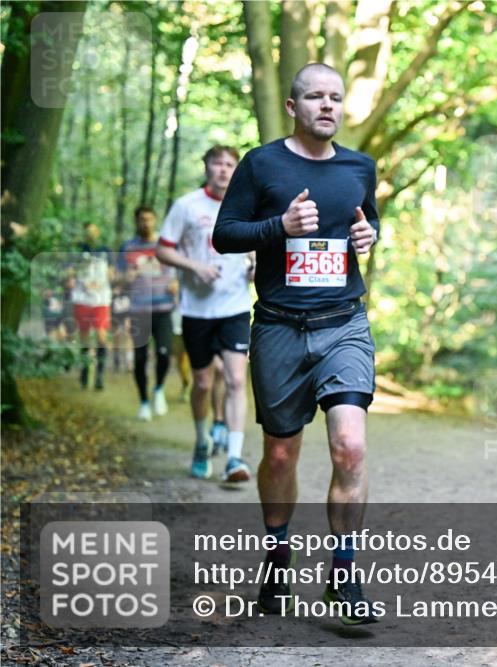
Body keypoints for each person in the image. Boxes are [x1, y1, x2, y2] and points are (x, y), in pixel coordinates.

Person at [213, 62, 380, 624]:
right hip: (280, 326)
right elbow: (225, 234)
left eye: (335, 97)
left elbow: (366, 224)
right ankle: (279, 549)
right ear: (293, 107)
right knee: (280, 452)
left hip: (343, 324)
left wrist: (367, 236)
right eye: (314, 97)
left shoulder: (360, 167)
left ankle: (344, 568)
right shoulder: (262, 164)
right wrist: (278, 228)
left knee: (350, 446)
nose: (327, 106)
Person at [156, 146, 255, 483]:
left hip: (236, 306)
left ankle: (235, 458)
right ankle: (201, 442)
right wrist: (194, 266)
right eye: (217, 164)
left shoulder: (247, 205)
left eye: (230, 164)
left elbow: (256, 247)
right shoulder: (187, 206)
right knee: (202, 382)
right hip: (197, 309)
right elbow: (163, 250)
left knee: (236, 379)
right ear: (206, 167)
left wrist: (255, 266)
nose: (224, 170)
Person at [119, 206, 175, 420]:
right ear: (136, 221)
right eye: (142, 219)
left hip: (163, 308)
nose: (146, 223)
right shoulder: (128, 247)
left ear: (155, 220)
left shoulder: (165, 243)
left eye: (150, 219)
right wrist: (127, 278)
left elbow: (177, 269)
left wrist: (176, 283)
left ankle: (158, 388)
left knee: (164, 353)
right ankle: (143, 401)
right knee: (140, 359)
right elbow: (118, 278)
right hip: (138, 310)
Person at [69, 224, 114, 390]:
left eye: (94, 230)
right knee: (84, 337)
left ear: (98, 233)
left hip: (101, 300)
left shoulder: (106, 250)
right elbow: (70, 271)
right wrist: (75, 279)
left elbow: (112, 273)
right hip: (81, 298)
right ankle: (84, 371)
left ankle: (100, 376)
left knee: (102, 337)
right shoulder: (78, 249)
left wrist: (102, 282)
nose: (91, 233)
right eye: (88, 231)